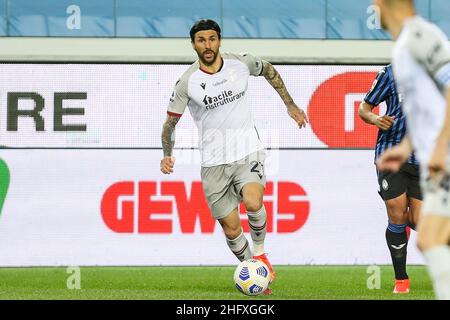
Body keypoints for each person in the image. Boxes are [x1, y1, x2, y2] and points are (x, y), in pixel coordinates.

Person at [159, 19, 308, 294]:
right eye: (201, 40)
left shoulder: (240, 63)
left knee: (253, 200)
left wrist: (290, 105)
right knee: (230, 230)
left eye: (212, 39)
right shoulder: (187, 82)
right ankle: (254, 270)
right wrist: (167, 155)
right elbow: (169, 124)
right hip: (213, 163)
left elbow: (269, 70)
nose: (207, 45)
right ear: (193, 44)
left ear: (219, 40)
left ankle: (261, 255)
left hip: (246, 151)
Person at [375, 0, 450, 299]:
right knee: (427, 236)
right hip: (425, 152)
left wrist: (438, 149)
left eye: (376, 2)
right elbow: (420, 109)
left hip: (439, 154)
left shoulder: (421, 37)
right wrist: (405, 147)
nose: (373, 7)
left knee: (431, 233)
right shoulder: (404, 48)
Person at [359, 64, 422, 294]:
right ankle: (401, 280)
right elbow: (364, 108)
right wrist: (375, 118)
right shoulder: (390, 73)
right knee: (396, 211)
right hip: (391, 154)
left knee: (418, 219)